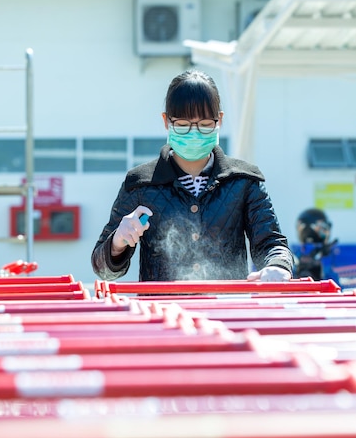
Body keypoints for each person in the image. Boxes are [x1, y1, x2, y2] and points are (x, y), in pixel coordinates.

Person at [91, 69, 293, 282]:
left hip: (226, 310)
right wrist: (117, 242)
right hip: (162, 312)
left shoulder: (243, 181)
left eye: (205, 125)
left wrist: (278, 266)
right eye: (183, 125)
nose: (194, 133)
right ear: (166, 121)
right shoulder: (140, 184)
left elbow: (271, 243)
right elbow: (103, 269)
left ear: (219, 121)